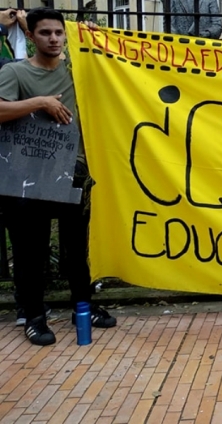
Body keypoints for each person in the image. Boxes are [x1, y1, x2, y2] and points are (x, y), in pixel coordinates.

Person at [0, 7, 116, 346]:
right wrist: (39, 102)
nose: (53, 38)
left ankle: (84, 305)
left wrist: (95, 36)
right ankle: (34, 316)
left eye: (58, 33)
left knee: (77, 247)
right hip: (25, 175)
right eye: (45, 33)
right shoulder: (16, 72)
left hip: (72, 171)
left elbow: (116, 66)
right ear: (31, 35)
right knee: (29, 249)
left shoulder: (76, 67)